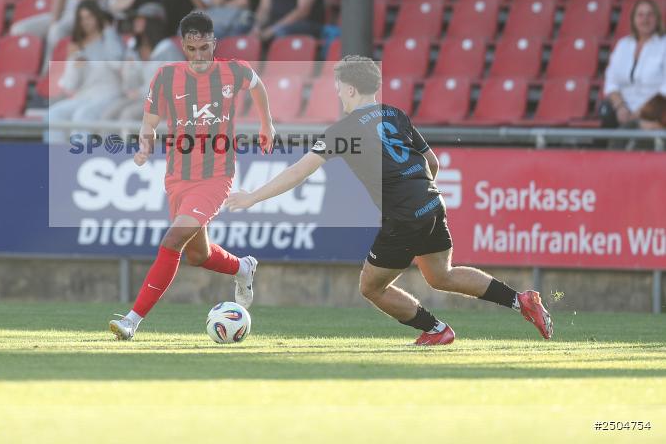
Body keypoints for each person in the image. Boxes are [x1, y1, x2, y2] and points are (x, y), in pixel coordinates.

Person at [225, 56, 553, 346]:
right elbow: (433, 164)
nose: (338, 93)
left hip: (405, 215)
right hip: (431, 202)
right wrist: (416, 193)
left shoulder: (343, 130)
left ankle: (436, 329)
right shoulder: (396, 114)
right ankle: (521, 300)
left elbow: (299, 172)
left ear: (351, 89)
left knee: (371, 287)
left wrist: (252, 197)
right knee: (442, 275)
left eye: (339, 87)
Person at [109, 11, 276, 341]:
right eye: (191, 49)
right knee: (198, 254)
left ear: (214, 43)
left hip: (216, 176)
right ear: (183, 46)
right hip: (177, 177)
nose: (199, 56)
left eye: (204, 48)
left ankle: (132, 320)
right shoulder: (166, 76)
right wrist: (144, 144)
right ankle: (243, 268)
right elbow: (149, 121)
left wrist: (265, 123)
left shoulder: (233, 71)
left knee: (172, 240)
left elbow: (257, 85)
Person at [47, 0, 125, 143]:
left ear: (97, 17)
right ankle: (56, 159)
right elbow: (70, 85)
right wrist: (75, 64)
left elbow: (116, 62)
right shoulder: (77, 46)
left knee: (82, 115)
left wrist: (108, 30)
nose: (86, 22)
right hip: (84, 96)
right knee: (53, 114)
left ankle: (79, 158)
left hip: (109, 94)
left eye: (89, 17)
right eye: (82, 18)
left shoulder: (110, 39)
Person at [102, 3, 184, 122]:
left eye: (141, 19)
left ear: (154, 23)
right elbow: (130, 85)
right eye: (136, 19)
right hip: (140, 98)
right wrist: (129, 69)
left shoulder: (168, 49)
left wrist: (139, 92)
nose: (136, 22)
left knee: (128, 114)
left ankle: (129, 141)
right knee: (108, 114)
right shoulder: (134, 49)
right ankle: (106, 141)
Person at [602, 0, 666, 130]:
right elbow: (611, 81)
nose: (645, 19)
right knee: (605, 110)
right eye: (640, 15)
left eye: (650, 14)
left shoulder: (663, 44)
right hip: (624, 106)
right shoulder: (623, 45)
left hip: (655, 106)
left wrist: (640, 113)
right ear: (633, 19)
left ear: (657, 18)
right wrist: (620, 107)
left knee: (628, 129)